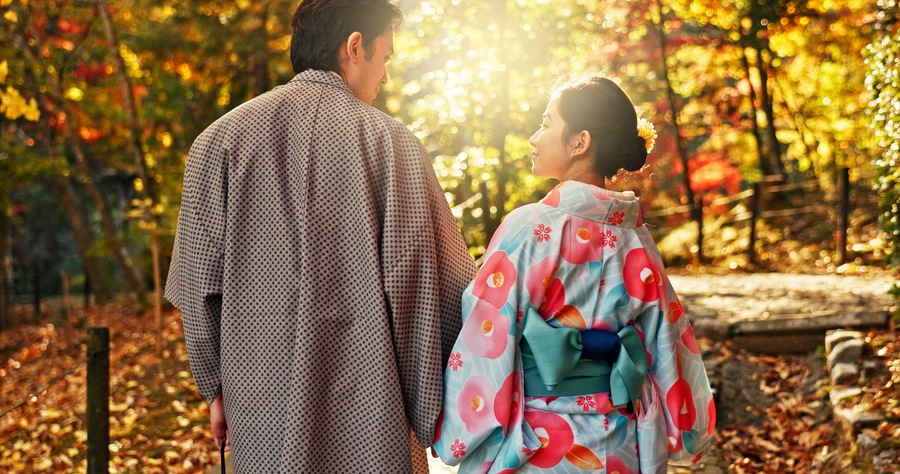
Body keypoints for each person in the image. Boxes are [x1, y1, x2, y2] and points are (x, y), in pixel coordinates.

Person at [164, 0, 476, 472]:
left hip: (259, 398)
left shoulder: (216, 142)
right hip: (373, 406)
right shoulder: (392, 145)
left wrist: (216, 389)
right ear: (355, 47)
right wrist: (431, 407)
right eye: (386, 57)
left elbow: (197, 288)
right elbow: (427, 286)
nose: (386, 76)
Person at [432, 76, 715, 473]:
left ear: (580, 142)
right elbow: (668, 342)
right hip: (620, 444)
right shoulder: (637, 239)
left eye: (547, 123)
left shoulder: (529, 229)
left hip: (539, 446)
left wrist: (457, 431)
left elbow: (487, 334)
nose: (534, 137)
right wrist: (688, 428)